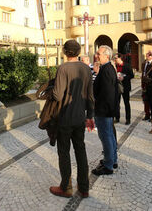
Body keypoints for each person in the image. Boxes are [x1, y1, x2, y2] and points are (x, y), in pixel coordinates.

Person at [49, 40, 95, 198]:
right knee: (80, 150)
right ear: (78, 52)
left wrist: (52, 87)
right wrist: (90, 115)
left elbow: (57, 95)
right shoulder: (86, 68)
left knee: (64, 152)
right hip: (80, 117)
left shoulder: (63, 68)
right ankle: (84, 188)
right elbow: (90, 95)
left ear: (65, 52)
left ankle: (66, 187)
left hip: (65, 117)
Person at [92, 45, 119, 175]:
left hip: (104, 110)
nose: (96, 56)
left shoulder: (107, 69)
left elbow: (107, 94)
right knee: (109, 136)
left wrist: (102, 109)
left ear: (106, 56)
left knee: (106, 136)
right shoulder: (107, 68)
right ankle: (112, 159)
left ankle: (108, 165)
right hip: (106, 109)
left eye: (99, 54)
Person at [114, 53, 134, 125]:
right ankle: (117, 118)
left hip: (125, 87)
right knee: (117, 103)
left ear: (120, 58)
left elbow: (132, 75)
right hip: (117, 87)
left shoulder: (127, 65)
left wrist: (124, 77)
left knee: (126, 103)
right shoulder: (115, 66)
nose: (115, 60)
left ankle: (128, 119)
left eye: (116, 58)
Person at [141, 51, 152, 120]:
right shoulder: (144, 63)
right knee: (145, 99)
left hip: (150, 84)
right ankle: (147, 114)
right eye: (146, 55)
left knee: (151, 100)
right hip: (144, 83)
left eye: (148, 56)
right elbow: (143, 73)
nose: (147, 57)